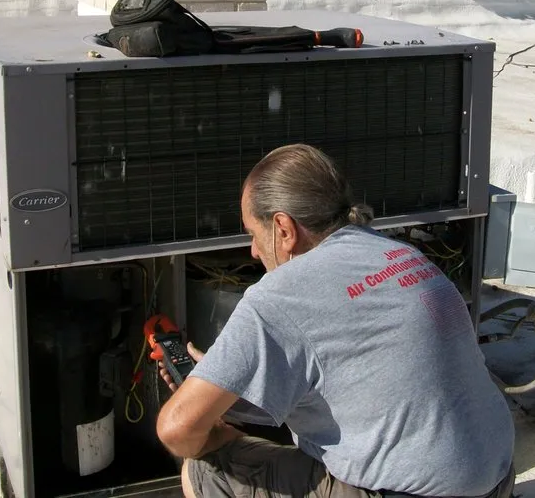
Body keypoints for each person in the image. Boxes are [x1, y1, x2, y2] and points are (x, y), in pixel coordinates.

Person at [155, 144, 516, 498]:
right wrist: (226, 383)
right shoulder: (403, 254)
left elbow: (177, 428)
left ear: (283, 229)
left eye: (253, 233)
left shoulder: (278, 295)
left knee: (205, 468)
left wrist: (221, 434)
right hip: (497, 481)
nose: (252, 250)